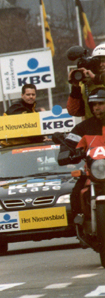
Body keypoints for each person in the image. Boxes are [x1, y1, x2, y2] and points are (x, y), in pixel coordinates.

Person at [60, 89, 105, 222]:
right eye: (94, 104)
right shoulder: (83, 128)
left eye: (101, 103)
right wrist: (67, 152)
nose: (97, 107)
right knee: (76, 193)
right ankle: (80, 221)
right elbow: (69, 144)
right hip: (93, 172)